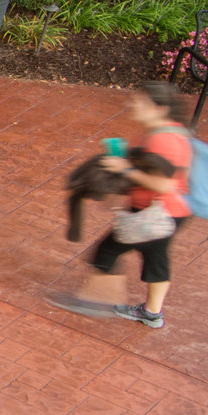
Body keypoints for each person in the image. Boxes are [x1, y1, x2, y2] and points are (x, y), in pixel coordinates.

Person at [46, 81, 193, 328]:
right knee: (156, 259)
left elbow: (163, 185)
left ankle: (97, 301)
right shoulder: (168, 131)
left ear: (159, 108)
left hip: (158, 213)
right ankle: (151, 313)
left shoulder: (162, 140)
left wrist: (124, 168)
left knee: (109, 250)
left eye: (139, 101)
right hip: (168, 212)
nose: (131, 104)